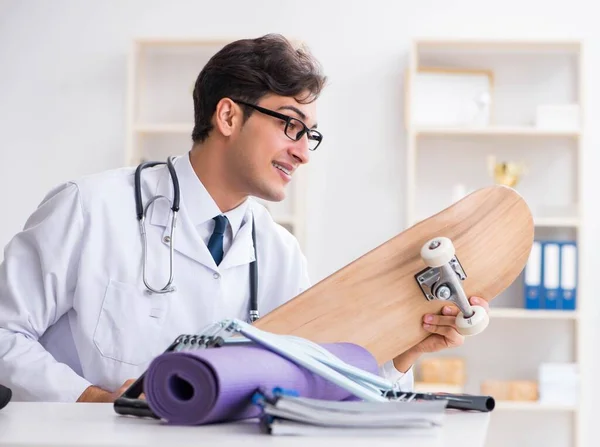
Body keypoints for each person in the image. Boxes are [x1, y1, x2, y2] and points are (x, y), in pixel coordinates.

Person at [0, 34, 488, 402]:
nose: (302, 153)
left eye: (309, 134)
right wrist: (98, 403)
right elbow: (5, 335)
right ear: (229, 117)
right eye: (290, 125)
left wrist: (407, 352)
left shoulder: (277, 252)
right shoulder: (91, 207)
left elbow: (312, 380)